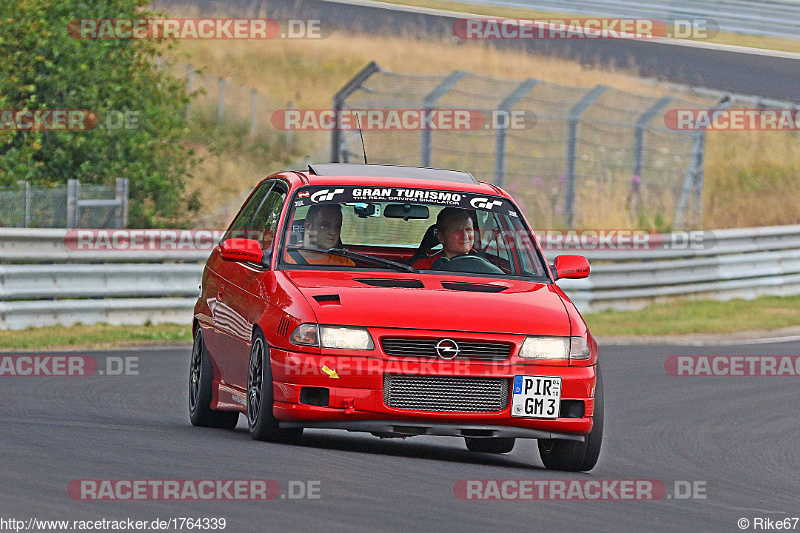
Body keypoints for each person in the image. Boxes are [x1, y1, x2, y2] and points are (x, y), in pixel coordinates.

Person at [285, 204, 355, 266]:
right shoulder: (285, 259)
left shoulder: (345, 264)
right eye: (325, 225)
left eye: (337, 226)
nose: (333, 232)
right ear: (308, 226)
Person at [412, 207, 476, 269]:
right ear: (441, 237)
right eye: (457, 231)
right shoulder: (423, 267)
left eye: (468, 230)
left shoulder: (483, 264)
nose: (465, 236)